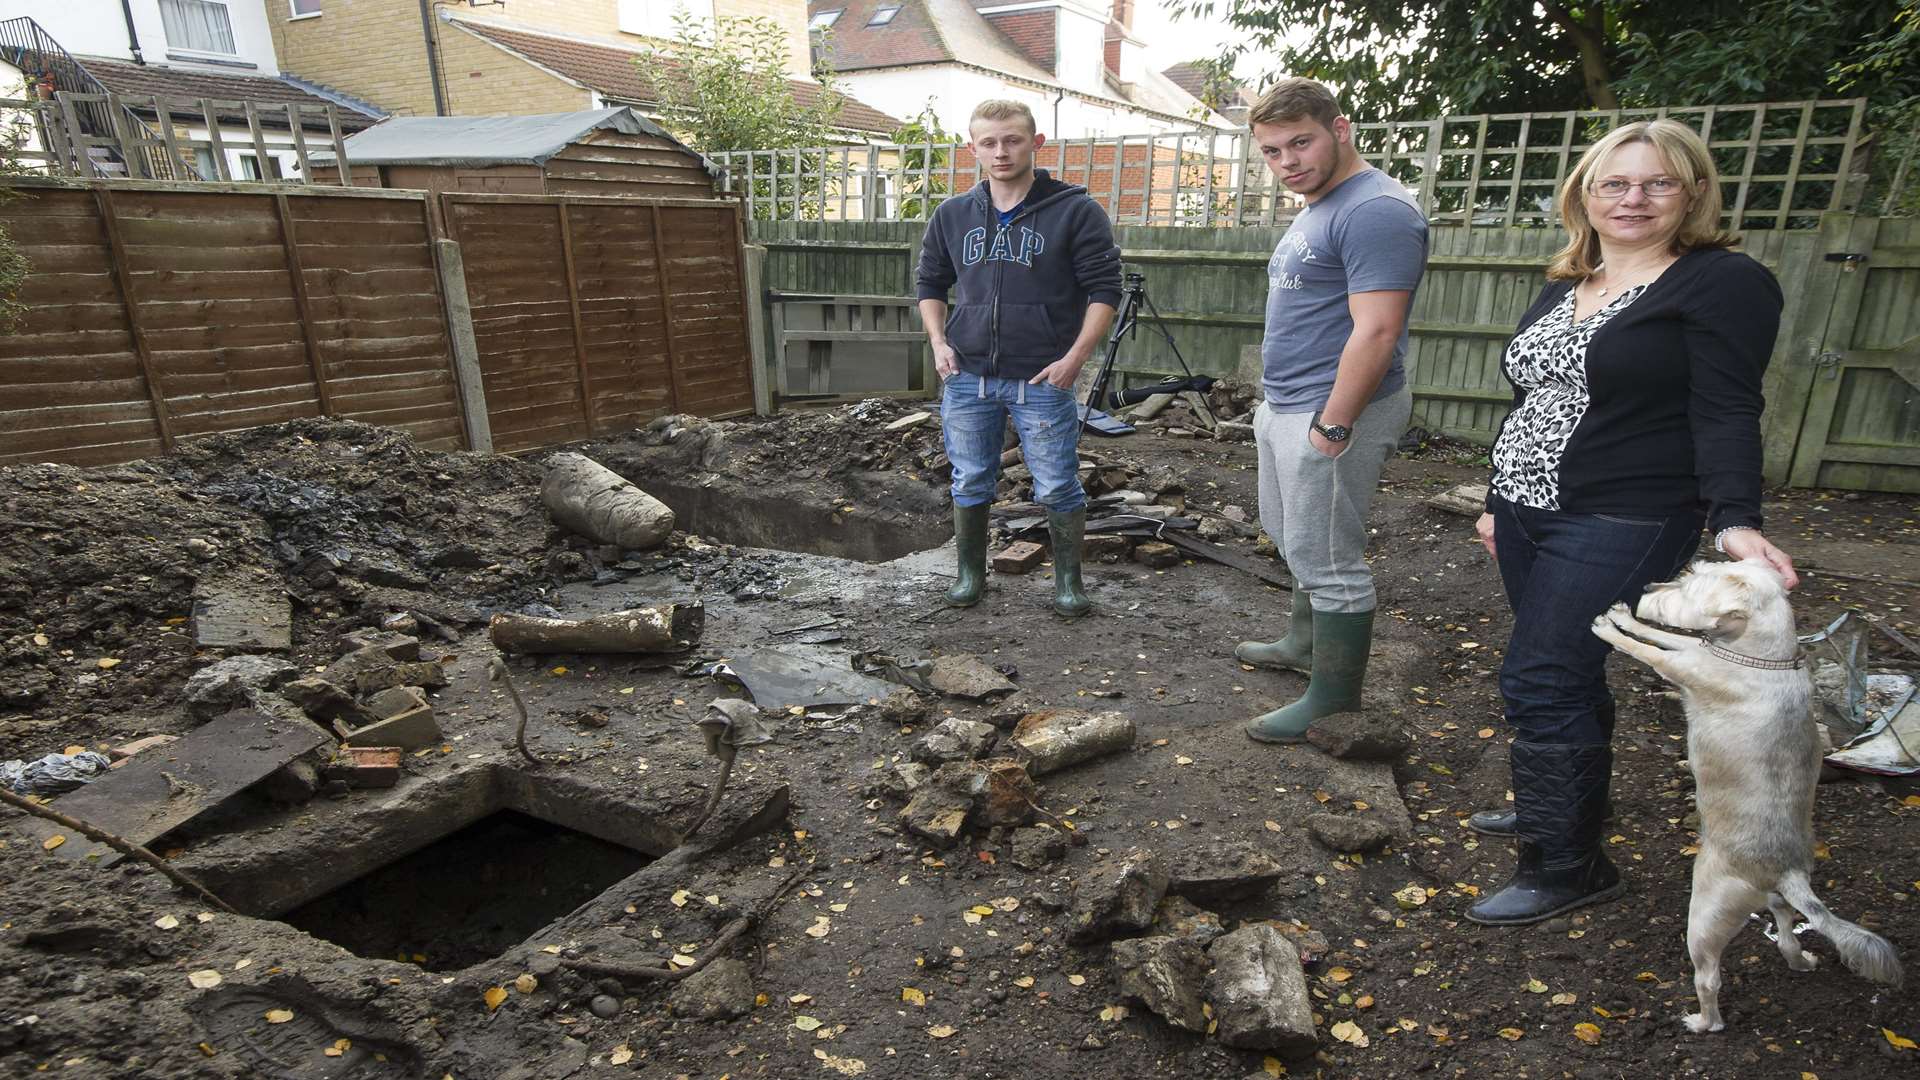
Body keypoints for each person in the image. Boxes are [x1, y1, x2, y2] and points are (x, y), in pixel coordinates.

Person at [1464, 119, 1799, 926]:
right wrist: (1493, 497)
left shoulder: (1720, 282)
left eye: (1657, 183)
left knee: (1540, 674)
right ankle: (1567, 804)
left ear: (1692, 194)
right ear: (1585, 191)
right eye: (1614, 182)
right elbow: (1534, 399)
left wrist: (1736, 518)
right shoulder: (1566, 281)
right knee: (1567, 668)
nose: (1633, 198)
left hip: (1626, 510)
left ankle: (1567, 863)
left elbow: (1726, 406)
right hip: (1526, 510)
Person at [1233, 78, 1427, 742]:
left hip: (1334, 410)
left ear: (1339, 129)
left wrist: (1334, 423)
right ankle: (1303, 644)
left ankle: (1335, 701)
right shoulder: (1320, 203)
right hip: (1289, 401)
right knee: (1292, 534)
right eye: (1272, 150)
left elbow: (1376, 332)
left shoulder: (1376, 210)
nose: (1288, 161)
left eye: (1301, 142)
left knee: (1330, 558)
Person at [915, 100, 1121, 618]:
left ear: (1037, 143)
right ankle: (970, 575)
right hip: (967, 375)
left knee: (1055, 482)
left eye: (1012, 140)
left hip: (1042, 376)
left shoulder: (1075, 210)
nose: (1001, 152)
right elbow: (929, 282)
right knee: (970, 479)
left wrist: (1075, 357)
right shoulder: (953, 215)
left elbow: (1104, 290)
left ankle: (1068, 584)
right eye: (989, 142)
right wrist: (939, 342)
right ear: (973, 148)